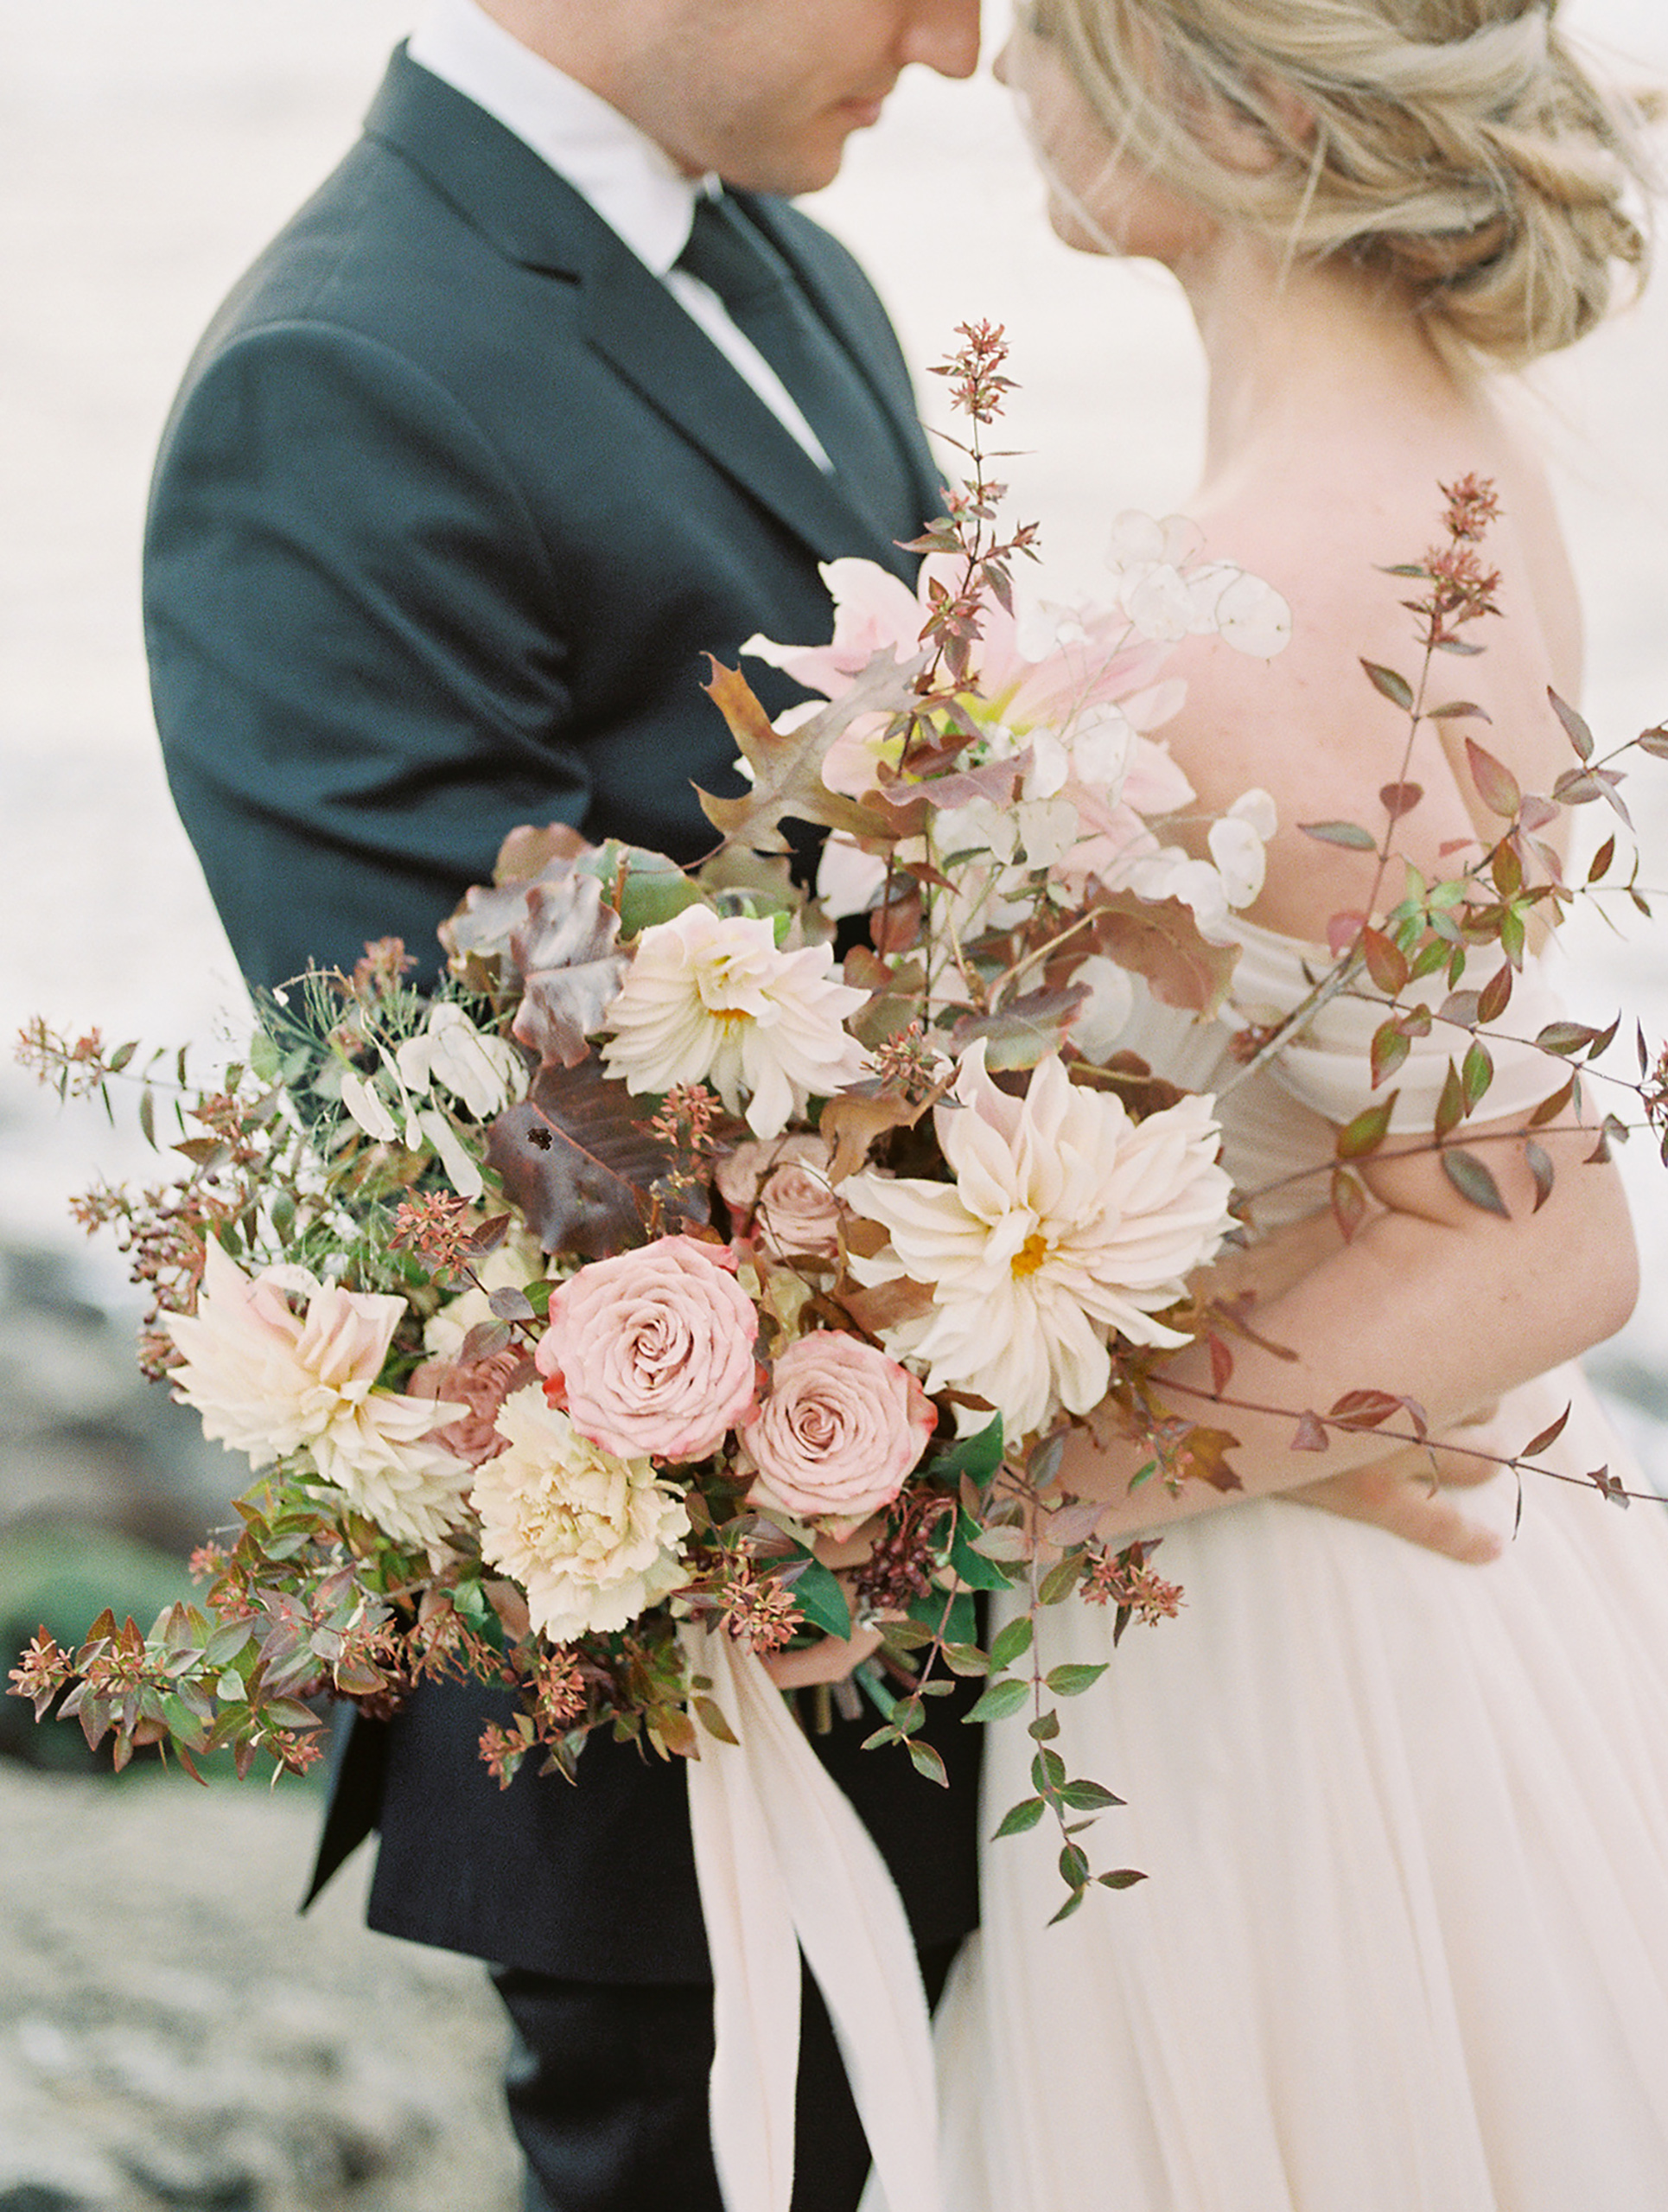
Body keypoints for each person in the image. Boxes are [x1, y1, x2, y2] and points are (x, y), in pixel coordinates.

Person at [141, 5, 989, 2209]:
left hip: (943, 1595)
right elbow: (488, 1104)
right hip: (684, 1689)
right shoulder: (339, 378)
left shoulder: (783, 256)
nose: (966, 40)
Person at [918, 3, 1668, 2208]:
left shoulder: (1258, 605)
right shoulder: (1437, 469)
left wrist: (951, 1529)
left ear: (1251, 98)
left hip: (1291, 1654)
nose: (999, 68)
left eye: (1066, 33)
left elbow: (1536, 1225)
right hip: (1447, 1559)